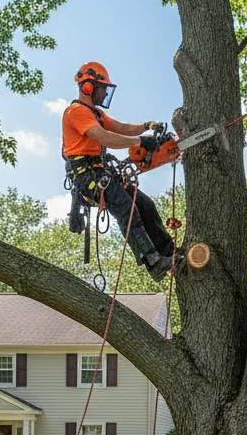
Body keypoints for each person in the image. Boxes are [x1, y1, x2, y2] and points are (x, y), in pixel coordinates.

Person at [62, 62, 179, 281]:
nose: (105, 92)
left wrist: (147, 126)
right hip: (87, 177)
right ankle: (152, 262)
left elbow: (120, 128)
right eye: (102, 87)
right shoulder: (75, 112)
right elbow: (105, 138)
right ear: (88, 87)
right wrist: (141, 142)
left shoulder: (95, 114)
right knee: (127, 209)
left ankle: (168, 251)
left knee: (145, 205)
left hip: (103, 172)